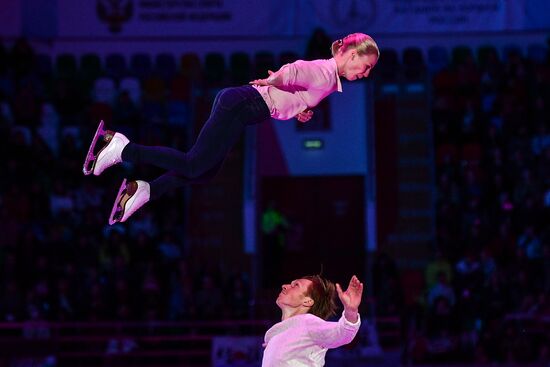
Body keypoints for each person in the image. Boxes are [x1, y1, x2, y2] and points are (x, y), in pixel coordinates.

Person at [82, 33, 379, 224]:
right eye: (366, 67)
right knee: (194, 162)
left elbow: (298, 85)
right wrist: (274, 79)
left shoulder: (329, 78)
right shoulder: (326, 74)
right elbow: (297, 70)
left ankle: (144, 190)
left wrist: (297, 109)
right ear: (352, 55)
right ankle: (121, 147)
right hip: (243, 104)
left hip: (243, 107)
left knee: (205, 170)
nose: (365, 74)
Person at [262, 274, 363, 366]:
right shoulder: (273, 333)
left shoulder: (309, 323)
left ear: (307, 301)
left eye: (296, 285)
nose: (284, 286)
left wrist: (351, 311)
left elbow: (342, 333)